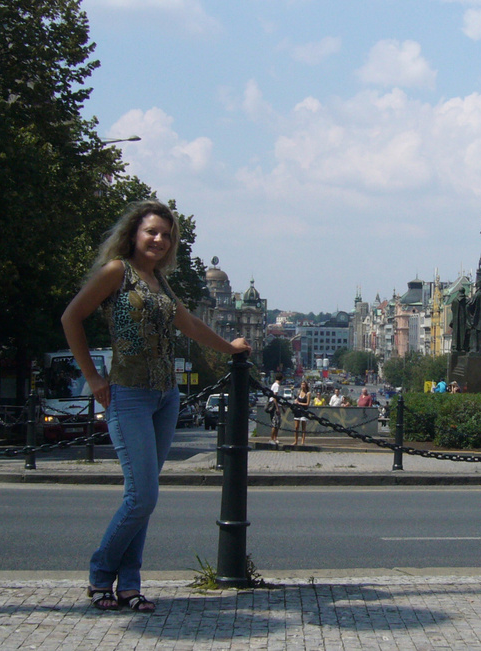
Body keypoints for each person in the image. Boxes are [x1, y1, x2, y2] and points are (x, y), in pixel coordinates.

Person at [61, 200, 251, 613]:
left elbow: (191, 325)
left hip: (167, 397)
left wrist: (230, 347)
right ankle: (99, 575)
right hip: (127, 393)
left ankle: (129, 585)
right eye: (152, 232)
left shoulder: (160, 282)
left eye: (166, 235)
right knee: (142, 496)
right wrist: (93, 377)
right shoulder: (117, 273)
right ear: (134, 234)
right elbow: (71, 317)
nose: (159, 240)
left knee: (142, 495)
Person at [293, 380, 311, 446]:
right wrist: (296, 401)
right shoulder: (298, 392)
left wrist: (299, 403)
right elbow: (296, 400)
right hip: (297, 411)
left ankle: (303, 441)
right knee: (296, 427)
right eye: (302, 384)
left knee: (303, 427)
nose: (303, 386)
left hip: (304, 411)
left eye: (304, 384)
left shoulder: (308, 394)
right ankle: (295, 441)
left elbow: (307, 404)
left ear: (306, 386)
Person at [268, 373, 283, 445]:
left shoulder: (273, 385)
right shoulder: (276, 386)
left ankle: (275, 438)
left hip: (275, 405)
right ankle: (272, 438)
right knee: (275, 423)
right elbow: (275, 398)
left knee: (277, 423)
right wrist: (277, 408)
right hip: (274, 406)